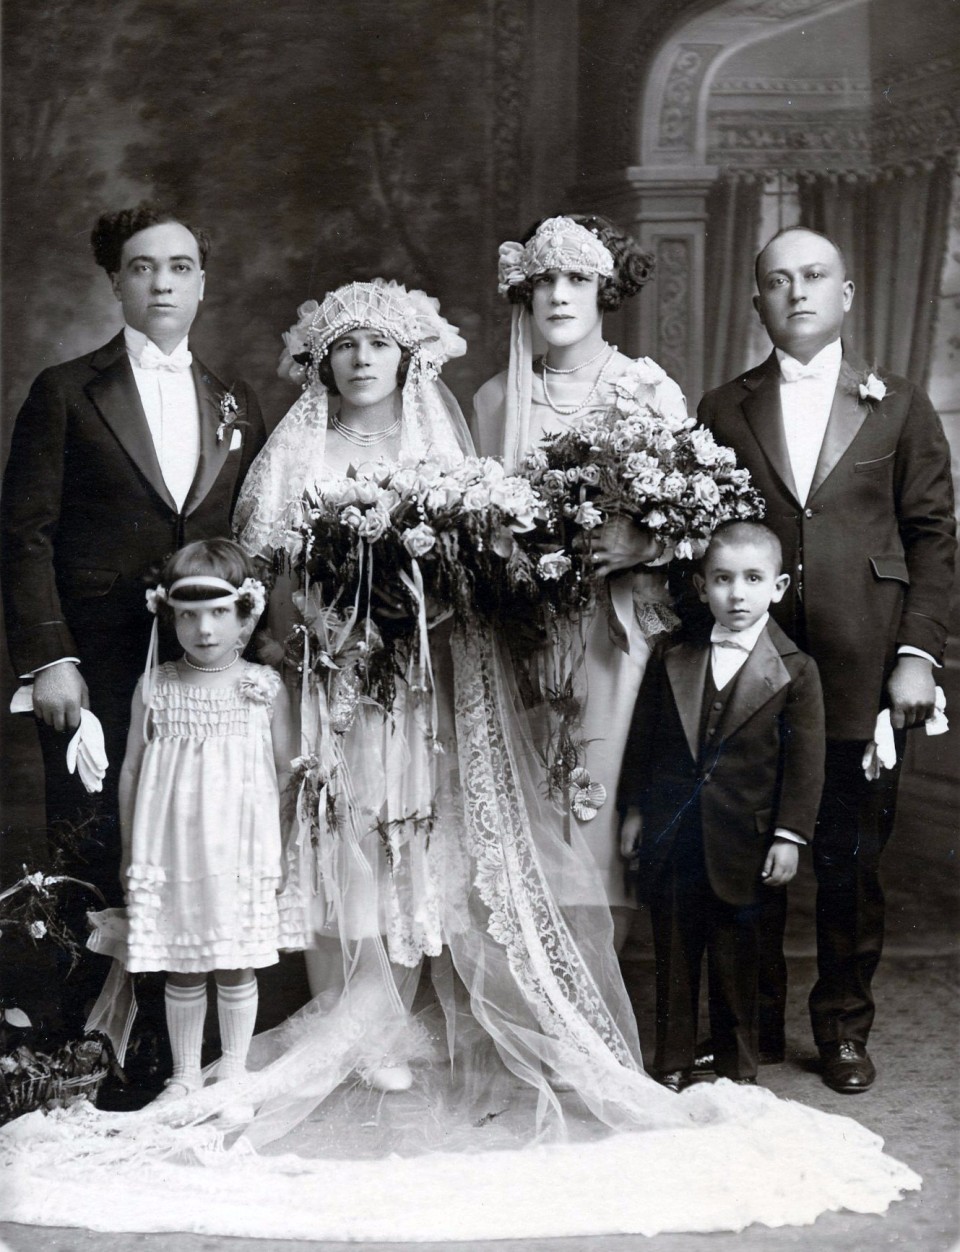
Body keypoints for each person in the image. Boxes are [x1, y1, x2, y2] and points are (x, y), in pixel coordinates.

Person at [0, 279, 924, 1241]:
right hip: (334, 680)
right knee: (341, 832)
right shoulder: (296, 447)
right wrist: (315, 626)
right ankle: (355, 1014)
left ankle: (421, 1010)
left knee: (421, 825)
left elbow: (480, 559)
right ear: (322, 362)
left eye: (381, 345)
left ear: (411, 361)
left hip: (426, 680)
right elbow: (259, 564)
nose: (363, 359)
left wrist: (424, 602)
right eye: (345, 345)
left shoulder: (444, 442)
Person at [697, 226, 956, 1092]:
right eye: (777, 281)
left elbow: (931, 540)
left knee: (849, 857)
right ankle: (751, 1026)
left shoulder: (900, 404)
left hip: (863, 663)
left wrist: (916, 654)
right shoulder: (723, 409)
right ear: (758, 302)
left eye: (814, 277)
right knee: (745, 845)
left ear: (846, 295)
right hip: (755, 661)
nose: (797, 293)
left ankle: (843, 1028)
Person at [1, 202, 266, 1039]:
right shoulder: (66, 391)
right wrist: (49, 660)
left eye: (180, 266)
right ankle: (83, 1052)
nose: (162, 282)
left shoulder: (234, 400)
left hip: (204, 667)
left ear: (202, 282)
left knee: (191, 845)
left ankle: (171, 1053)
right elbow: (24, 535)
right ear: (115, 281)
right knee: (93, 846)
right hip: (96, 661)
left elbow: (245, 540)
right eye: (144, 266)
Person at [473, 214, 688, 950]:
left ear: (606, 289)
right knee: (531, 798)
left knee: (597, 801)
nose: (559, 296)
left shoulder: (646, 389)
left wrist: (640, 542)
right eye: (543, 282)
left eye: (577, 279)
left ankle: (602, 999)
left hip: (614, 630)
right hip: (521, 629)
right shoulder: (496, 401)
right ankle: (539, 989)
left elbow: (696, 525)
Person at [618, 522, 825, 1090]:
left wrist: (789, 835)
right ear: (701, 584)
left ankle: (738, 1069)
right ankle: (673, 1063)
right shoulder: (673, 656)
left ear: (779, 587)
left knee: (739, 962)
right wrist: (636, 812)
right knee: (675, 956)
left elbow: (805, 766)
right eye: (723, 579)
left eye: (753, 579)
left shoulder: (797, 669)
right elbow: (645, 740)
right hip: (675, 837)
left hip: (747, 840)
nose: (738, 594)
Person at [115, 539, 293, 1112]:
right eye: (188, 615)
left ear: (246, 615)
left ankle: (234, 1072)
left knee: (234, 956)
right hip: (175, 851)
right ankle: (185, 1076)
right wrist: (128, 852)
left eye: (219, 613)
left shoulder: (262, 689)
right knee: (183, 962)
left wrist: (281, 851)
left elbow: (285, 776)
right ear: (169, 616)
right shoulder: (157, 686)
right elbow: (133, 771)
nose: (204, 629)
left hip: (239, 847)